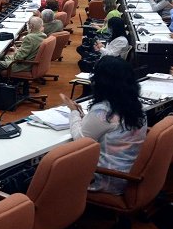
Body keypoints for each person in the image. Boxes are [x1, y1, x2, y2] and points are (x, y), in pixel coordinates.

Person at [61, 56, 147, 194]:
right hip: (130, 172)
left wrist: (73, 112)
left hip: (108, 178)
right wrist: (86, 118)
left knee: (53, 166)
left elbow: (80, 141)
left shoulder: (104, 111)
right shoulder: (135, 105)